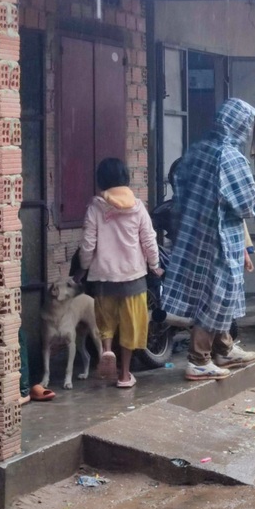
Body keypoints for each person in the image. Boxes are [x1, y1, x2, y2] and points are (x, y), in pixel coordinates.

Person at [163, 98, 255, 381]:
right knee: (217, 297)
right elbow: (246, 206)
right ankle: (199, 359)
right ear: (239, 126)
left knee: (213, 294)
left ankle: (224, 348)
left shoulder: (195, 151)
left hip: (192, 234)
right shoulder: (230, 157)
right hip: (220, 239)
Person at [79, 158, 161, 388]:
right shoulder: (138, 206)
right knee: (129, 326)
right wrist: (154, 264)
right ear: (125, 178)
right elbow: (149, 240)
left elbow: (87, 243)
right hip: (133, 276)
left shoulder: (95, 207)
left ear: (101, 181)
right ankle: (125, 375)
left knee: (106, 322)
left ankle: (106, 351)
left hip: (103, 277)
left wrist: (85, 266)